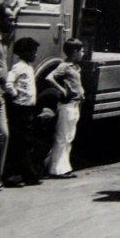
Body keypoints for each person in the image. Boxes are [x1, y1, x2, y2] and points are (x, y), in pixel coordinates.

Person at [3, 38, 41, 187]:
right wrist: (14, 94)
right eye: (33, 52)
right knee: (20, 142)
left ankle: (25, 174)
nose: (35, 55)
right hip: (20, 108)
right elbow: (9, 83)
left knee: (25, 141)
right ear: (25, 53)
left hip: (27, 108)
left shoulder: (28, 67)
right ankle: (17, 175)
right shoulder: (18, 67)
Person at [44, 38, 85, 178]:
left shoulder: (74, 66)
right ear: (74, 51)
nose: (83, 53)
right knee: (62, 137)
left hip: (74, 104)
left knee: (68, 137)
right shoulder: (65, 66)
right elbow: (50, 77)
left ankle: (62, 166)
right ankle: (56, 170)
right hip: (67, 105)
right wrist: (62, 90)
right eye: (81, 50)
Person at [0, 5, 15, 192]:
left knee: (2, 135)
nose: (13, 22)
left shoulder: (1, 37)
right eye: (9, 19)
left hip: (0, 93)